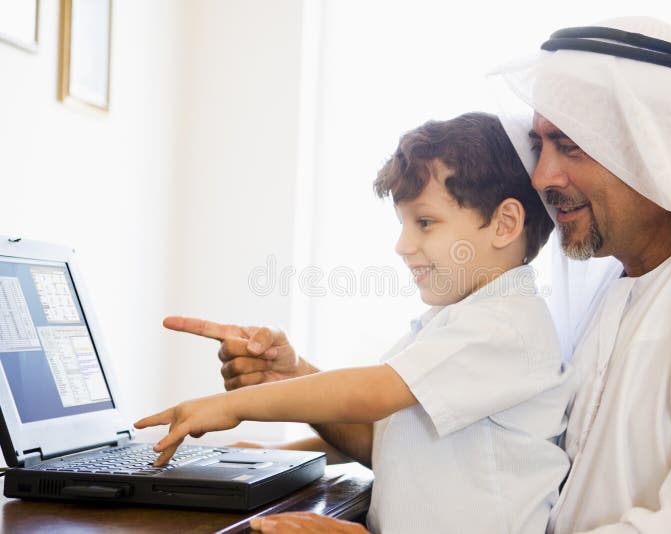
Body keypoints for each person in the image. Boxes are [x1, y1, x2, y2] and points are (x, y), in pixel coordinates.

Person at [168, 16, 671, 533]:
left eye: (569, 147)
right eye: (542, 145)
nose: (543, 175)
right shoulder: (614, 298)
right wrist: (295, 376)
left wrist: (239, 407)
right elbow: (431, 449)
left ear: (655, 150)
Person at [136, 112, 574, 534]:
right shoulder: (460, 320)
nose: (403, 245)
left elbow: (369, 395)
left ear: (505, 223)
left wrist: (228, 405)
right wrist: (278, 442)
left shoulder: (503, 324)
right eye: (404, 224)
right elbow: (393, 438)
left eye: (424, 222)